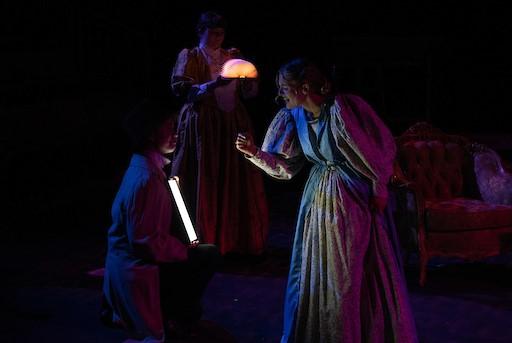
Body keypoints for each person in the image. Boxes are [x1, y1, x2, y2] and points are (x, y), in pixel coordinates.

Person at [235, 58, 418, 342]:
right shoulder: (294, 117)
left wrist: (379, 187)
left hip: (351, 200)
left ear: (304, 87)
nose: (279, 94)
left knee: (346, 277)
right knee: (317, 274)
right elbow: (286, 167)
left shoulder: (343, 109)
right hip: (317, 201)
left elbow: (376, 150)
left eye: (285, 88)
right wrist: (254, 152)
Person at [101, 98, 221, 342]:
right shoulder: (146, 180)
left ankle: (179, 315)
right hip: (137, 269)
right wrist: (183, 251)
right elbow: (145, 242)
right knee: (206, 255)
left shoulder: (147, 170)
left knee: (201, 253)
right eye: (169, 126)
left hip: (136, 261)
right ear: (150, 134)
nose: (175, 132)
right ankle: (176, 316)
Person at [169, 11, 268, 255]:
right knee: (207, 175)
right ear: (201, 32)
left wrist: (248, 79)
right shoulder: (191, 56)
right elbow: (183, 91)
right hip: (205, 122)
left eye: (220, 33)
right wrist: (215, 84)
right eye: (212, 33)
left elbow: (248, 92)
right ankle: (205, 237)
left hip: (232, 121)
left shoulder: (232, 56)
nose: (217, 38)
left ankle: (234, 239)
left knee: (233, 176)